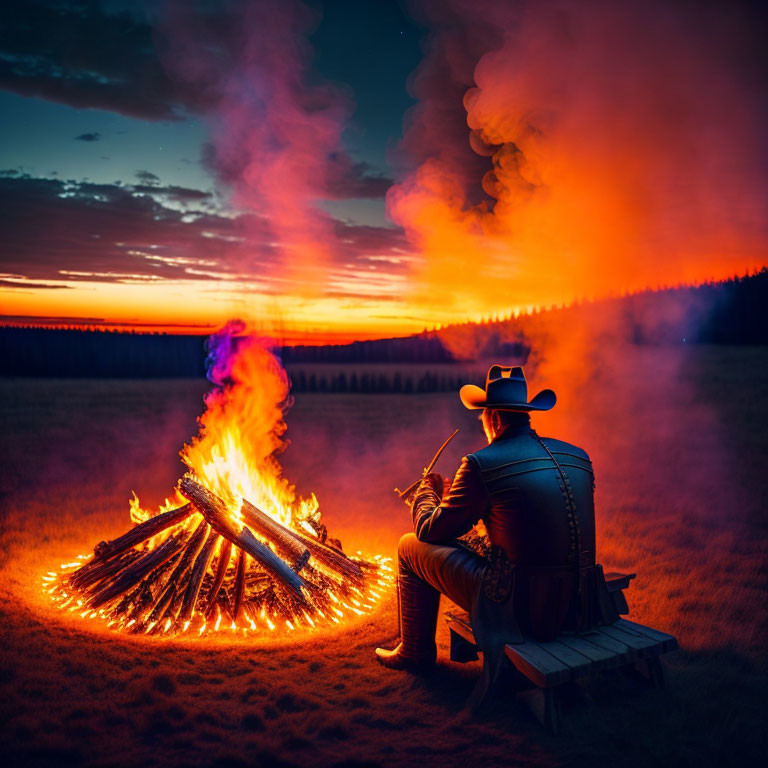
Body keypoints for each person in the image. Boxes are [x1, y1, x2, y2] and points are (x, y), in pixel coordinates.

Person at [375, 365, 618, 701]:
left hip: (520, 607)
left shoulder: (481, 463)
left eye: (483, 419)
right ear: (526, 414)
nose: (483, 427)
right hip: (582, 601)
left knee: (408, 545)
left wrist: (427, 492)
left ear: (494, 419)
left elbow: (430, 530)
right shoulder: (578, 456)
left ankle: (413, 652)